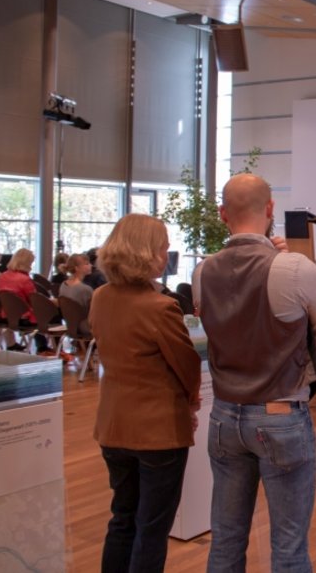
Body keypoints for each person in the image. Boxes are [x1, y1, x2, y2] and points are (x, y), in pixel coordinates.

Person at [195, 174, 316, 573]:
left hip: (223, 416)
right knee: (289, 548)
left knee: (225, 541)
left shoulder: (202, 271)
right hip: (280, 415)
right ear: (271, 210)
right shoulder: (293, 268)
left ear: (222, 214)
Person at [90, 214, 201, 573]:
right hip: (158, 432)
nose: (166, 254)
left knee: (122, 518)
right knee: (152, 529)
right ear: (147, 252)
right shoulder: (161, 307)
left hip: (113, 425)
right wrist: (192, 400)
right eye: (164, 247)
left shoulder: (100, 297)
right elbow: (187, 365)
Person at [0, 248, 54, 354]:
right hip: (24, 318)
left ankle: (42, 345)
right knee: (45, 313)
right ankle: (44, 346)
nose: (32, 266)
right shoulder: (25, 280)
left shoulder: (2, 276)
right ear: (27, 263)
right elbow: (35, 300)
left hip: (7, 316)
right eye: (31, 263)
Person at [61, 253, 94, 335]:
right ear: (77, 268)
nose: (91, 265)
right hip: (85, 327)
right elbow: (94, 311)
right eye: (87, 264)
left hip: (70, 325)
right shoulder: (85, 289)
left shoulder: (63, 285)